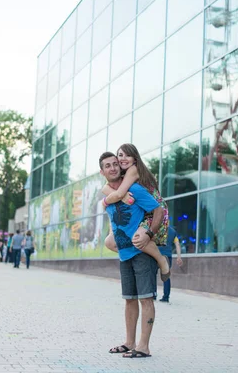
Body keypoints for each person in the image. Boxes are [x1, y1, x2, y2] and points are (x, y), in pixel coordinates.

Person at [100, 151, 164, 358]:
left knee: (146, 299)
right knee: (129, 300)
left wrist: (150, 233)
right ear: (102, 171)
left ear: (120, 167)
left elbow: (158, 210)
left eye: (114, 164)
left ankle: (143, 346)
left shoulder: (134, 189)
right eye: (107, 166)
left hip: (142, 253)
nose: (112, 168)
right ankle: (129, 342)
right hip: (124, 255)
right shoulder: (109, 194)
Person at [101, 144, 171, 282]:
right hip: (143, 211)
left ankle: (161, 260)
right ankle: (144, 252)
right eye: (120, 155)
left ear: (135, 158)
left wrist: (107, 201)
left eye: (127, 155)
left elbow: (120, 193)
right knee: (110, 242)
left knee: (137, 238)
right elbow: (107, 188)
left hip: (155, 210)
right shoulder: (123, 173)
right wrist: (112, 198)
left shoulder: (133, 169)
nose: (123, 159)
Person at [157, 226, 183, 303]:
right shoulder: (172, 231)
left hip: (156, 254)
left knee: (152, 275)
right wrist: (179, 256)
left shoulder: (157, 228)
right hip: (167, 256)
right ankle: (166, 297)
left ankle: (153, 294)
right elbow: (177, 244)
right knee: (166, 276)